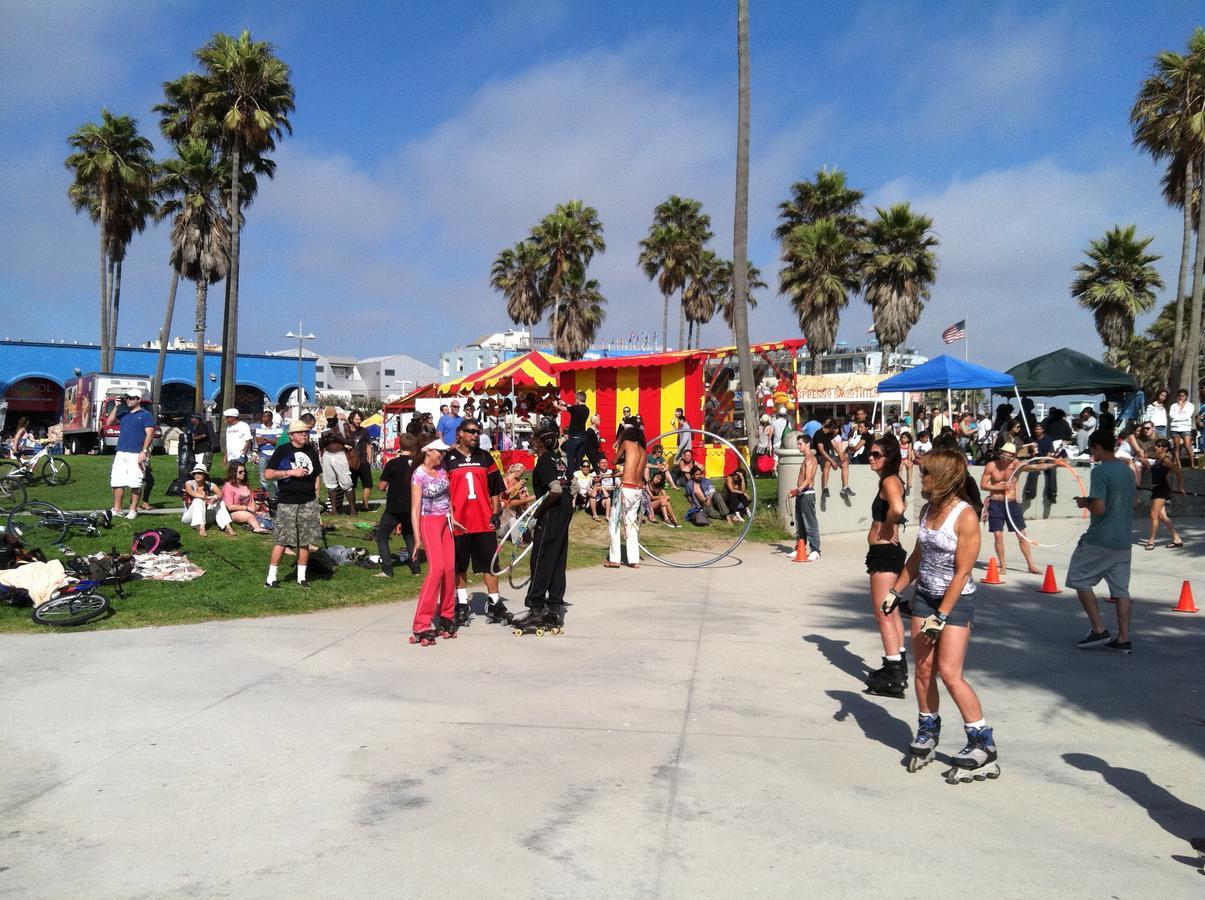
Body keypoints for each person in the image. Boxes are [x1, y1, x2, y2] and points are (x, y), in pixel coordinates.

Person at [883, 449, 997, 781]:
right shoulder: (929, 510)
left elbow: (962, 573)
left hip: (956, 602)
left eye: (927, 473)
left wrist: (941, 616)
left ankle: (982, 741)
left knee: (949, 673)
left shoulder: (966, 517)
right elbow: (918, 556)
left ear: (944, 477)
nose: (922, 478)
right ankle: (928, 729)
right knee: (923, 670)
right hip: (925, 597)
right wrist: (896, 590)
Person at [1069, 429, 1137, 654]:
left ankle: (1098, 629)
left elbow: (1099, 507)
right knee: (1121, 591)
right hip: (1124, 539)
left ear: (1097, 446)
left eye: (1091, 448)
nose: (1091, 452)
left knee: (1079, 579)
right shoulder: (1127, 470)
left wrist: (1084, 502)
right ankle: (1123, 638)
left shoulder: (1100, 472)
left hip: (1100, 538)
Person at [445, 418, 509, 625]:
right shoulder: (448, 459)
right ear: (459, 433)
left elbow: (495, 489)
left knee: (490, 565)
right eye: (470, 431)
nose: (474, 435)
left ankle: (494, 603)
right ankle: (462, 604)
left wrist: (496, 513)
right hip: (459, 523)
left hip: (483, 521)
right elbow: (442, 492)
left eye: (477, 432)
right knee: (459, 565)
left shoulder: (485, 457)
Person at [513, 421, 574, 633]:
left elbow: (555, 490)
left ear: (541, 442)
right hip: (565, 511)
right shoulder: (560, 460)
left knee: (541, 558)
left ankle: (536, 608)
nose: (531, 440)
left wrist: (538, 512)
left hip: (552, 512)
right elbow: (573, 486)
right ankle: (555, 607)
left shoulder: (545, 461)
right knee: (557, 558)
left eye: (534, 438)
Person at [863, 434, 910, 698]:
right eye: (870, 454)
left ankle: (893, 675)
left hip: (884, 554)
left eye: (876, 454)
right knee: (891, 612)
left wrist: (889, 526)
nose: (871, 458)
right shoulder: (891, 480)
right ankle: (898, 663)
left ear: (889, 458)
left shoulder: (890, 481)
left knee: (883, 613)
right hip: (887, 553)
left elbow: (898, 507)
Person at [263, 419, 323, 589]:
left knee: (304, 540)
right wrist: (290, 472)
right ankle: (271, 578)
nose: (304, 435)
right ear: (291, 436)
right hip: (288, 501)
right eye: (300, 432)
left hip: (308, 500)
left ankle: (301, 577)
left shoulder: (311, 450)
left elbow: (317, 473)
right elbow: (268, 474)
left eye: (306, 432)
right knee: (282, 540)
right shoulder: (282, 450)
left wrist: (317, 494)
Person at [409, 438, 456, 644]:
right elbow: (415, 508)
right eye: (440, 452)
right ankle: (421, 623)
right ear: (428, 451)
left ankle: (447, 615)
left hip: (446, 522)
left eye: (444, 453)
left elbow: (449, 497)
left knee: (449, 569)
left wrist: (453, 517)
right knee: (436, 569)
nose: (442, 456)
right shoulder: (418, 475)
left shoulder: (442, 468)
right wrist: (417, 537)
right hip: (429, 523)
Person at [980, 442, 1041, 576]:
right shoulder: (992, 465)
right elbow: (983, 485)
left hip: (1011, 504)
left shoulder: (1016, 465)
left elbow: (1035, 466)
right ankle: (1003, 565)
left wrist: (1055, 463)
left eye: (1008, 456)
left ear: (1013, 456)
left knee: (1021, 536)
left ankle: (1031, 565)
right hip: (996, 503)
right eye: (1002, 454)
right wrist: (999, 487)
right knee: (998, 535)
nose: (1004, 458)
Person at [375, 433, 421, 578]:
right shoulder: (418, 464)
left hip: (394, 508)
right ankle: (416, 569)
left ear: (400, 446)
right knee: (410, 537)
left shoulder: (393, 463)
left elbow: (382, 486)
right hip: (411, 507)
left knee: (382, 537)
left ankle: (387, 570)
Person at [605, 422, 647, 568]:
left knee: (614, 522)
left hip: (626, 489)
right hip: (638, 490)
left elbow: (614, 460)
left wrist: (619, 450)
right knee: (631, 524)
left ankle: (615, 559)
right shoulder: (643, 451)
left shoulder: (627, 444)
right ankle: (634, 559)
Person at [107, 391, 155, 520]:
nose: (128, 400)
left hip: (136, 453)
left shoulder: (145, 415)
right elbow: (109, 422)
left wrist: (144, 451)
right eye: (127, 398)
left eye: (132, 398)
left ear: (138, 399)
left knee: (135, 481)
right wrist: (116, 406)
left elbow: (150, 434)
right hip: (121, 451)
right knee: (117, 480)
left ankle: (133, 509)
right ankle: (117, 509)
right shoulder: (124, 414)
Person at [1145, 438, 1184, 551]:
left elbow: (1179, 473)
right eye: (1156, 445)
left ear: (1165, 448)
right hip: (1158, 489)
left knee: (1153, 515)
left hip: (1161, 490)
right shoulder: (1159, 460)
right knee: (1162, 516)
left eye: (1159, 445)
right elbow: (1165, 475)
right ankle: (1177, 539)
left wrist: (1181, 487)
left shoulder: (1166, 460)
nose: (1156, 447)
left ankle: (1151, 542)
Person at [318, 407, 358, 515]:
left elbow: (351, 442)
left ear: (336, 416)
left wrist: (337, 437)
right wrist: (323, 439)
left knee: (346, 483)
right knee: (330, 484)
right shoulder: (325, 427)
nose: (330, 421)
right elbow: (321, 446)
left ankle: (353, 509)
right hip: (327, 455)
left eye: (331, 419)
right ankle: (334, 510)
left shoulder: (343, 425)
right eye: (328, 419)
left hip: (340, 455)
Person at [788, 432, 821, 561]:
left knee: (810, 522)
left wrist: (797, 490)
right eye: (798, 443)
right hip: (801, 494)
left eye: (800, 443)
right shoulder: (806, 459)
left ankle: (815, 550)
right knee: (800, 523)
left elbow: (808, 479)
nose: (798, 446)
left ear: (807, 444)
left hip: (807, 494)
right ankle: (799, 547)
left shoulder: (810, 459)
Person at [219, 462, 272, 534]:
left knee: (265, 514)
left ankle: (251, 525)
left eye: (244, 471)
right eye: (240, 472)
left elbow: (251, 500)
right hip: (233, 513)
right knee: (249, 516)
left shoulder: (245, 485)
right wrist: (246, 508)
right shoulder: (228, 486)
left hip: (248, 509)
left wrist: (254, 508)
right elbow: (229, 507)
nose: (243, 473)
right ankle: (257, 528)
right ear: (233, 473)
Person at [182, 463, 233, 536]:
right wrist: (205, 497)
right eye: (194, 473)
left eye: (199, 473)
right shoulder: (190, 483)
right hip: (190, 516)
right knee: (198, 500)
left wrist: (215, 498)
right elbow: (191, 492)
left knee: (220, 501)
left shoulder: (209, 484)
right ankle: (202, 528)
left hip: (205, 515)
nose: (196, 475)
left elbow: (220, 494)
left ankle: (227, 526)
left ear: (204, 475)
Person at [814, 418, 853, 499]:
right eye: (835, 429)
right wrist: (832, 461)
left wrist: (841, 455)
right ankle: (825, 488)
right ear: (831, 428)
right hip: (820, 456)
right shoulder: (819, 434)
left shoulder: (830, 434)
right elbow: (821, 450)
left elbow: (834, 445)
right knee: (828, 463)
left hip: (828, 455)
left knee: (845, 462)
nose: (836, 431)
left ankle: (845, 487)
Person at [347, 410, 375, 511]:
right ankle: (353, 505)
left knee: (367, 484)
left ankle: (365, 504)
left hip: (363, 461)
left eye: (360, 419)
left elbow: (368, 445)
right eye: (356, 419)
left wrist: (369, 460)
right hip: (351, 462)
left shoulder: (364, 431)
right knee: (351, 485)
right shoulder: (348, 431)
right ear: (351, 419)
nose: (359, 421)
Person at [558, 391, 591, 471]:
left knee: (570, 457)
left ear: (578, 399)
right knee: (579, 457)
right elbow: (571, 408)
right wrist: (565, 403)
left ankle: (572, 475)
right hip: (583, 436)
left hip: (574, 437)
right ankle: (579, 473)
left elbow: (564, 409)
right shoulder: (586, 409)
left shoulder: (576, 408)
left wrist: (556, 404)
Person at [253, 410, 281, 498]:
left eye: (265, 417)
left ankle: (276, 495)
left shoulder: (277, 428)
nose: (263, 419)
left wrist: (265, 439)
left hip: (274, 454)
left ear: (270, 418)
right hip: (263, 454)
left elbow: (277, 441)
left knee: (275, 476)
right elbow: (259, 442)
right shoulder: (259, 428)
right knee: (263, 476)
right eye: (263, 417)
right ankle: (264, 495)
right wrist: (271, 440)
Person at [1168, 388, 1195, 467]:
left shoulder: (1190, 405)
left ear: (1186, 397)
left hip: (1185, 428)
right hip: (1175, 428)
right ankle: (1179, 465)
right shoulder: (1174, 406)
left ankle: (1192, 464)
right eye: (1180, 396)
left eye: (1183, 396)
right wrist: (1179, 407)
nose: (1181, 397)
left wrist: (1177, 417)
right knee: (1177, 447)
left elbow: (1187, 416)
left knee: (1187, 446)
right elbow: (1171, 416)